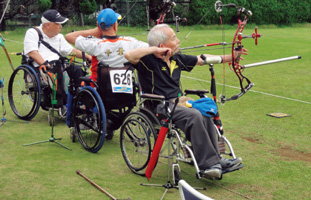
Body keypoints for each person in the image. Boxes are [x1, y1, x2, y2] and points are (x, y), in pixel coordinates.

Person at [125, 24, 246, 179]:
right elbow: (129, 55)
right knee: (194, 115)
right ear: (162, 45)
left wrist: (232, 56)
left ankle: (216, 160)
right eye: (174, 38)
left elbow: (202, 59)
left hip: (179, 103)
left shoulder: (176, 58)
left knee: (204, 112)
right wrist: (155, 50)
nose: (178, 40)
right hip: (158, 106)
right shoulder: (146, 61)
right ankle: (208, 165)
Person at [65, 8, 148, 139]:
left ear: (99, 26)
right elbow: (150, 47)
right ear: (115, 25)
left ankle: (70, 122)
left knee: (74, 86)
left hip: (100, 91)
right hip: (126, 92)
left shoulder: (95, 44)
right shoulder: (131, 42)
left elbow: (69, 37)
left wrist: (94, 31)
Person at [23, 9, 91, 116]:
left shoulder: (59, 37)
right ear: (48, 25)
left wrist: (87, 57)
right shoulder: (33, 33)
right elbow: (32, 52)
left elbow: (70, 51)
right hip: (40, 66)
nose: (61, 26)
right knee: (56, 70)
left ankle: (79, 101)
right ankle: (61, 104)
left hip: (58, 64)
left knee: (77, 70)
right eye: (58, 24)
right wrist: (45, 64)